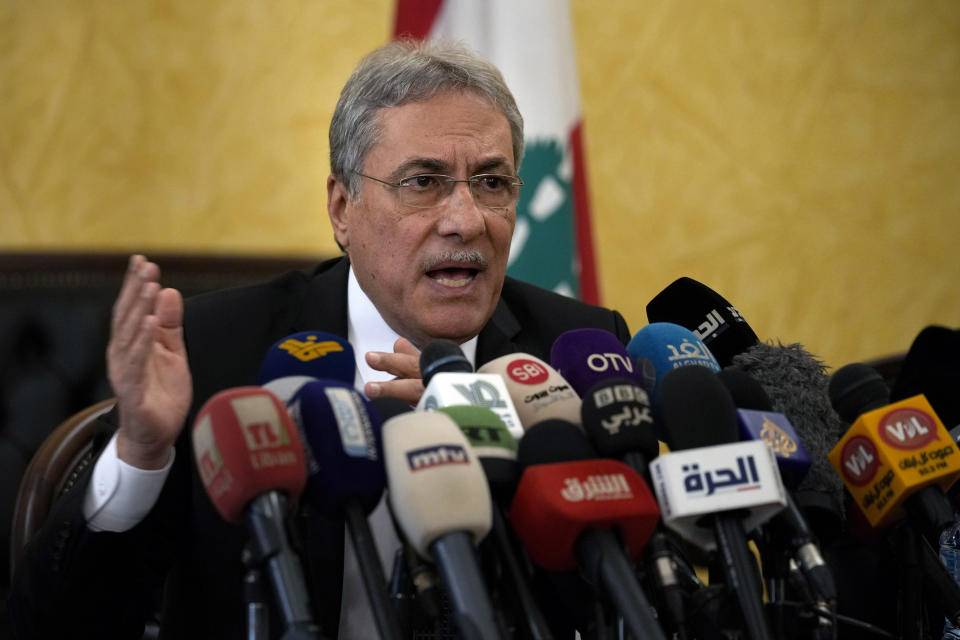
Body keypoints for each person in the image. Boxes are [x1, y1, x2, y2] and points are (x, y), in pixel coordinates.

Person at [10, 39, 632, 639]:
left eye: (493, 183)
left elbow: (639, 608)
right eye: (423, 181)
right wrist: (141, 454)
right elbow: (57, 625)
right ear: (342, 209)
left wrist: (515, 457)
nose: (467, 219)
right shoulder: (218, 352)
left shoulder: (576, 352)